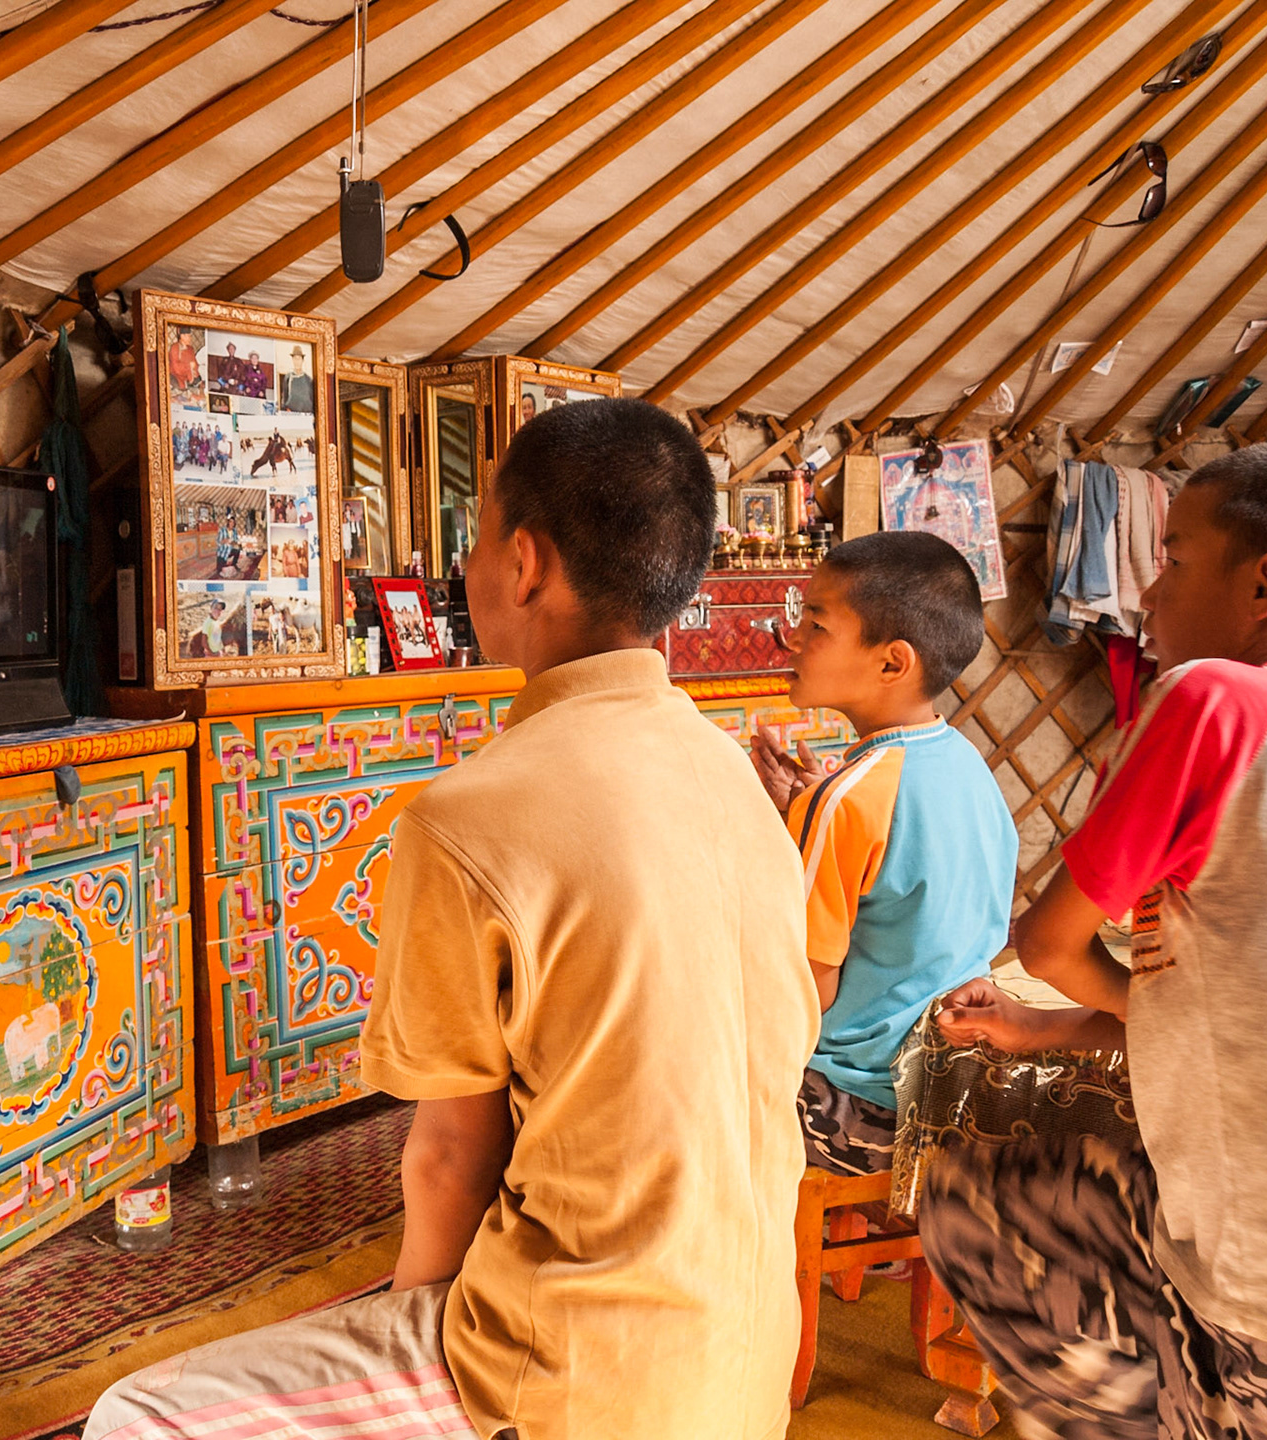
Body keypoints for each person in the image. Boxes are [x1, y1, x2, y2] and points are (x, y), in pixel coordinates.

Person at [83, 398, 816, 1440]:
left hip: (575, 1377)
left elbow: (447, 1159)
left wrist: (415, 1342)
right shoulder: (738, 778)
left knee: (140, 1415)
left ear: (525, 564)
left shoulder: (468, 817)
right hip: (748, 1362)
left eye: (475, 542)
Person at [916, 439, 1267, 1440]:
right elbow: (1255, 1014)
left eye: (1174, 560)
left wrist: (1055, 997)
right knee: (999, 1205)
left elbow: (1049, 945)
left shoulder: (1212, 699)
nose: (1145, 589)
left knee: (975, 1210)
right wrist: (1041, 1032)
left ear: (1266, 586)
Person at [750, 531, 1015, 1175]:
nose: (791, 638)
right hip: (956, 1093)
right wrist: (810, 811)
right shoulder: (968, 767)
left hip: (853, 1109)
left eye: (816, 624)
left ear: (893, 663)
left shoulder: (844, 801)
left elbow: (805, 989)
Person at [281, 345, 315, 412]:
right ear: (292, 360)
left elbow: (312, 400)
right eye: (295, 359)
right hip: (292, 414)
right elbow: (284, 399)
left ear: (302, 360)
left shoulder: (308, 380)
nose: (297, 361)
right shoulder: (288, 377)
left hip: (306, 414)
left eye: (298, 359)